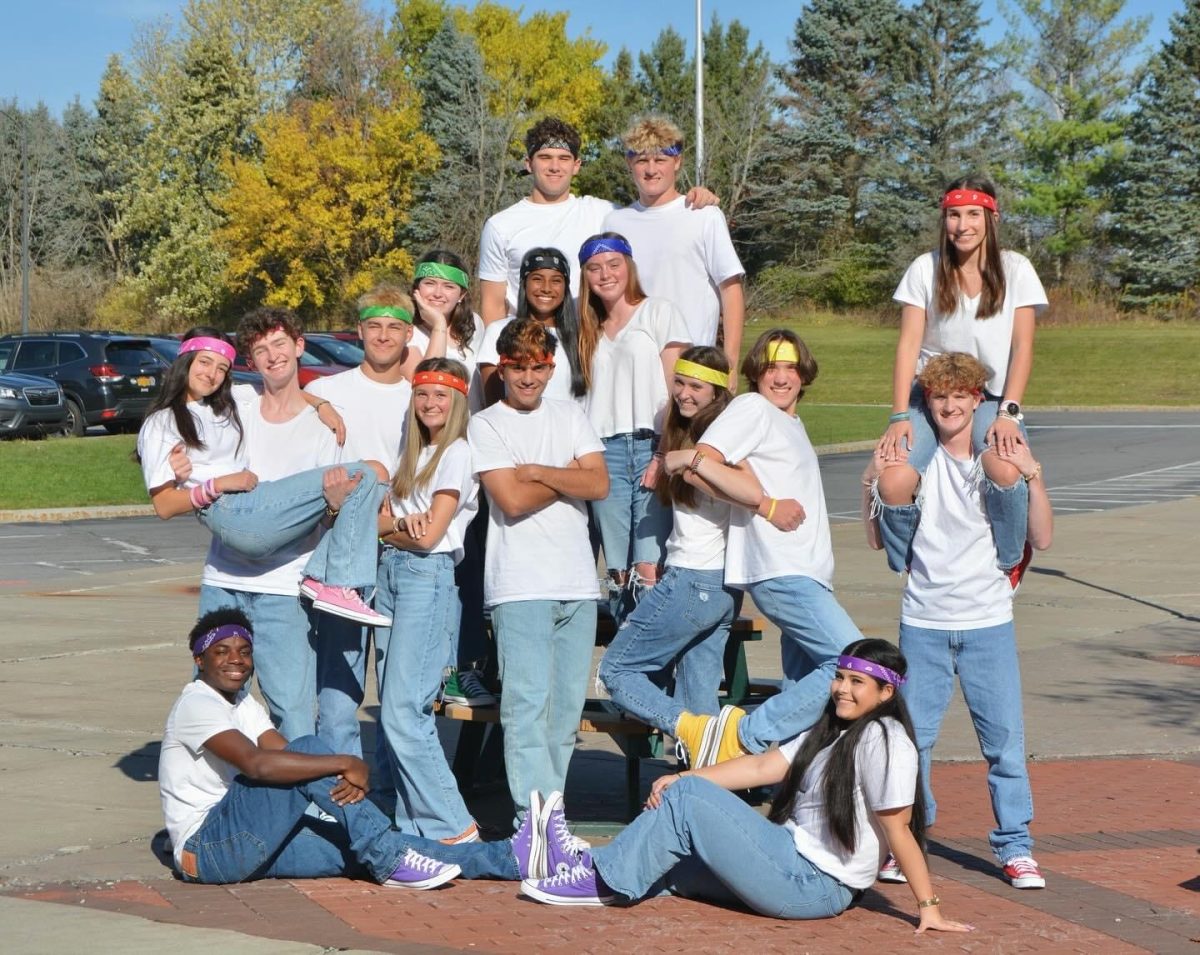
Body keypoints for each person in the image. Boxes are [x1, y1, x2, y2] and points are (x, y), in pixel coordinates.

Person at [521, 640, 974, 935]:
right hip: (785, 855)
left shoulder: (887, 741)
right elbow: (760, 767)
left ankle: (600, 881)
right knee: (665, 860)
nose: (841, 689)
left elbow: (899, 829)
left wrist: (928, 906)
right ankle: (562, 866)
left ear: (886, 693)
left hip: (813, 885)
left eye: (857, 682)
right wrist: (682, 774)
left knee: (687, 802)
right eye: (839, 677)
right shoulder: (831, 730)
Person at [159, 608, 580, 886]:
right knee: (312, 753)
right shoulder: (198, 702)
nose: (236, 660)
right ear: (199, 660)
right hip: (208, 851)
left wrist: (336, 786)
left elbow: (289, 760)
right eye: (221, 651)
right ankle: (386, 854)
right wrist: (345, 763)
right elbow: (258, 765)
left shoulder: (242, 703)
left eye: (244, 651)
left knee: (360, 847)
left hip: (243, 841)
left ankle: (513, 860)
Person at [139, 318, 390, 741]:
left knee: (291, 710)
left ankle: (300, 801)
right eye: (260, 351)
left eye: (280, 345)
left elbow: (329, 509)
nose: (272, 356)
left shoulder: (324, 424)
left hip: (284, 587)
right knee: (216, 703)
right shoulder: (239, 401)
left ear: (298, 346)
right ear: (252, 362)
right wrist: (203, 483)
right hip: (225, 577)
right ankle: (217, 798)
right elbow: (167, 495)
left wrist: (320, 409)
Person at [862, 352, 1053, 890]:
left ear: (978, 401)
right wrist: (870, 480)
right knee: (912, 741)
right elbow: (876, 539)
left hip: (987, 621)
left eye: (961, 396)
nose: (949, 405)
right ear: (929, 403)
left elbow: (1043, 538)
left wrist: (1032, 473)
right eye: (939, 397)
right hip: (922, 621)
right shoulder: (916, 462)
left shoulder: (999, 457)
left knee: (1004, 744)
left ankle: (1016, 848)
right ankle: (909, 843)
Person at [661, 329, 861, 767]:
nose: (781, 376)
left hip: (807, 573)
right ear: (756, 373)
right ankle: (743, 736)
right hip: (781, 570)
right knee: (857, 664)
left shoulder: (790, 421)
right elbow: (699, 464)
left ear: (804, 373)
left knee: (801, 686)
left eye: (790, 366)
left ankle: (791, 790)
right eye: (771, 367)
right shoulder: (753, 408)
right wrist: (765, 506)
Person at [467, 319, 609, 824]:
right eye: (517, 367)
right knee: (525, 709)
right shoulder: (486, 424)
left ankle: (555, 812)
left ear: (552, 368)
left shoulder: (570, 414)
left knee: (565, 713)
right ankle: (534, 820)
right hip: (520, 586)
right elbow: (510, 498)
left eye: (538, 367)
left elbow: (600, 484)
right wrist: (570, 475)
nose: (528, 378)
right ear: (501, 368)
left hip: (577, 584)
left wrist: (540, 470)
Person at [875, 177, 1048, 585]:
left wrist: (1008, 412)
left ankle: (1009, 560)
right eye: (954, 215)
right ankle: (908, 562)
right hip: (931, 393)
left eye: (973, 214)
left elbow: (1022, 348)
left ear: (991, 217)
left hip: (989, 395)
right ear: (944, 218)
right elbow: (907, 346)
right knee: (894, 480)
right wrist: (900, 414)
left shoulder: (1016, 269)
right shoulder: (925, 268)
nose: (962, 225)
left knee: (1005, 469)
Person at [598, 347, 740, 732]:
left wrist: (685, 462)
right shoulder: (689, 432)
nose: (684, 393)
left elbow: (745, 492)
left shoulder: (715, 440)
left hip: (694, 578)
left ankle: (688, 731)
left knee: (616, 670)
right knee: (699, 700)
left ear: (717, 393)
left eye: (696, 386)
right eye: (679, 382)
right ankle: (703, 773)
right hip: (723, 586)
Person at [371, 358, 481, 842]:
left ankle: (455, 825)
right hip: (389, 576)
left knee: (403, 709)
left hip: (425, 578)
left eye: (441, 395)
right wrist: (398, 526)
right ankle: (414, 827)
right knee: (392, 708)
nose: (431, 403)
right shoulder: (409, 454)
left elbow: (430, 536)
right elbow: (383, 528)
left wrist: (395, 529)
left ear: (457, 402)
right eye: (422, 394)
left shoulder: (456, 452)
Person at [303, 286, 415, 757]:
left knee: (399, 690)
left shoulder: (421, 395)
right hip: (342, 553)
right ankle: (335, 789)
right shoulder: (330, 391)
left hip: (401, 550)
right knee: (338, 686)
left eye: (394, 327)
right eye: (374, 326)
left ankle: (391, 797)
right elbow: (284, 398)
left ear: (409, 334)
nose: (383, 336)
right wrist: (317, 406)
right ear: (360, 331)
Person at [477, 117, 717, 325]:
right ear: (529, 164)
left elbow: (653, 214)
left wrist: (693, 197)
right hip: (529, 358)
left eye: (563, 158)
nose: (554, 167)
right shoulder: (500, 225)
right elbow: (493, 306)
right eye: (544, 157)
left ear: (577, 165)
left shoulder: (604, 214)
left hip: (589, 350)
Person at [577, 232, 690, 619]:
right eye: (595, 267)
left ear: (629, 266)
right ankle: (624, 662)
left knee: (648, 565)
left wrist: (662, 454)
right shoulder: (586, 328)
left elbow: (679, 393)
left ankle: (653, 665)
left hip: (649, 446)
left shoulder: (658, 311)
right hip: (602, 452)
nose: (605, 274)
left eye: (614, 264)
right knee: (618, 571)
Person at [603, 116, 745, 381]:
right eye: (642, 160)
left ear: (677, 162)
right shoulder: (615, 222)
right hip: (630, 371)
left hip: (691, 371)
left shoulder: (704, 215)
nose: (651, 169)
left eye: (660, 160)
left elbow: (731, 290)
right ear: (629, 164)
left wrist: (730, 364)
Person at [477, 247, 590, 406]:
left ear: (566, 287)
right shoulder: (498, 331)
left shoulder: (582, 337)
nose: (546, 288)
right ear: (524, 284)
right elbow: (493, 406)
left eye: (556, 281)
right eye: (537, 279)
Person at [402, 251, 486, 411]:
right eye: (430, 283)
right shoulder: (406, 331)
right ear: (416, 289)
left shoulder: (474, 323)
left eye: (449, 286)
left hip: (472, 429)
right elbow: (427, 383)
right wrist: (439, 324)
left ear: (461, 295)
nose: (438, 293)